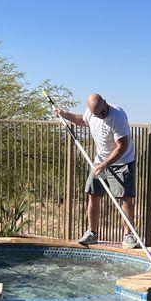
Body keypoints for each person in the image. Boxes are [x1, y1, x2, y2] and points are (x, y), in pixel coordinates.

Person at [55, 94, 139, 248]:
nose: (101, 116)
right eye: (97, 114)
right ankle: (92, 233)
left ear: (105, 103)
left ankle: (129, 236)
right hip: (101, 162)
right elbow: (82, 120)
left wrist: (106, 164)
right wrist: (64, 114)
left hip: (122, 161)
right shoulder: (91, 114)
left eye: (102, 112)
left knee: (125, 198)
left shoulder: (117, 115)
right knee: (93, 194)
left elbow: (122, 147)